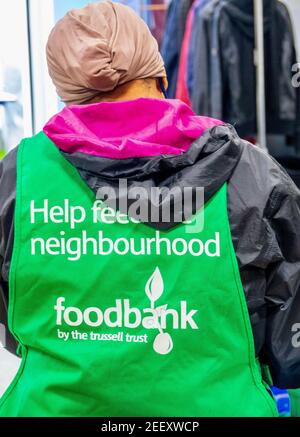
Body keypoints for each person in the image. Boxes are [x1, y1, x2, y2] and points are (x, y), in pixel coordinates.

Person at [0, 0, 299, 417]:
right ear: (158, 73)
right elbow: (290, 341)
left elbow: (14, 321)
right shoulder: (251, 172)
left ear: (65, 90)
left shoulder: (19, 175)